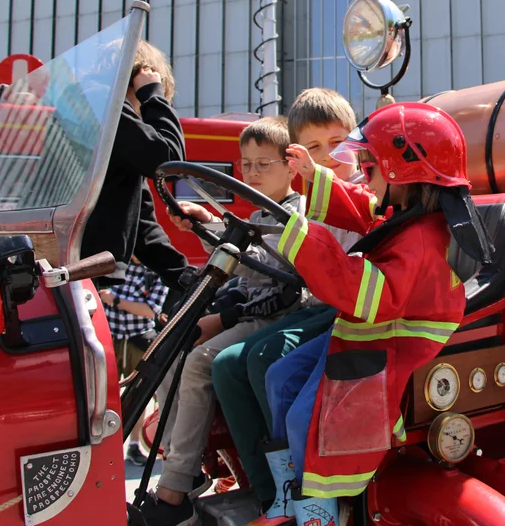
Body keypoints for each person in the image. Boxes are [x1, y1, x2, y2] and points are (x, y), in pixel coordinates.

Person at [266, 102, 494, 526]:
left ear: (402, 172)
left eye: (370, 165)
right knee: (279, 378)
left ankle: (319, 513)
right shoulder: (407, 215)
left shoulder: (423, 240)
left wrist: (305, 239)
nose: (362, 169)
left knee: (303, 419)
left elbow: (371, 298)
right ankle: (287, 492)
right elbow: (363, 207)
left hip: (390, 345)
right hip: (368, 332)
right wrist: (316, 179)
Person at [141, 117, 310, 526]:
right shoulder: (259, 214)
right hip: (255, 311)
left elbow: (275, 282)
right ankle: (183, 464)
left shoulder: (295, 217)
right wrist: (206, 224)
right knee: (168, 347)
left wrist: (224, 316)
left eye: (263, 164)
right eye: (246, 164)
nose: (251, 172)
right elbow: (243, 254)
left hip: (283, 315)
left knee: (201, 360)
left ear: (291, 166)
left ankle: (175, 485)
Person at [206, 89, 360, 524]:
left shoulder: (354, 194)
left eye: (337, 142)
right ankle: (266, 489)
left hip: (340, 308)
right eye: (313, 148)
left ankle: (304, 495)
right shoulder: (314, 202)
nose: (328, 156)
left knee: (265, 358)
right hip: (322, 303)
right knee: (224, 365)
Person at [81, 39, 190, 296]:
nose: (141, 114)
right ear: (137, 79)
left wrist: (186, 277)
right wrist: (153, 95)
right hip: (78, 263)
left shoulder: (93, 110)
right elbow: (170, 163)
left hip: (81, 264)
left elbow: (141, 223)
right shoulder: (102, 104)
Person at [100, 256, 169, 466]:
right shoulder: (116, 265)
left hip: (138, 340)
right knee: (102, 395)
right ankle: (102, 446)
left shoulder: (155, 273)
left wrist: (116, 300)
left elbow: (151, 310)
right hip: (108, 338)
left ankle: (134, 445)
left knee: (139, 395)